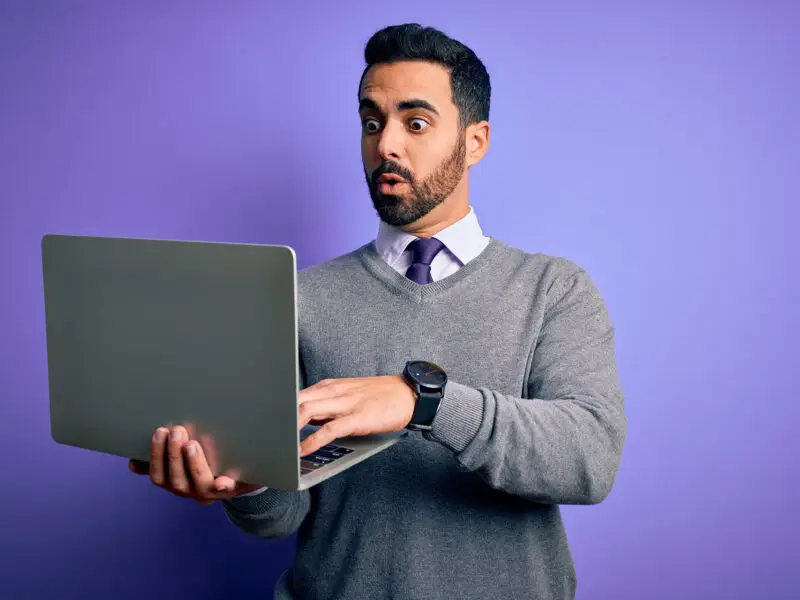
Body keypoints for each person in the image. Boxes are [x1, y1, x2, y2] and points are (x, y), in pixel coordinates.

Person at [129, 23, 627, 600]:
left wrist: (425, 404)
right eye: (372, 122)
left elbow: (589, 460)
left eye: (415, 123)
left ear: (475, 141)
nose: (386, 144)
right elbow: (281, 515)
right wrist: (241, 484)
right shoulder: (298, 299)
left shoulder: (553, 289)